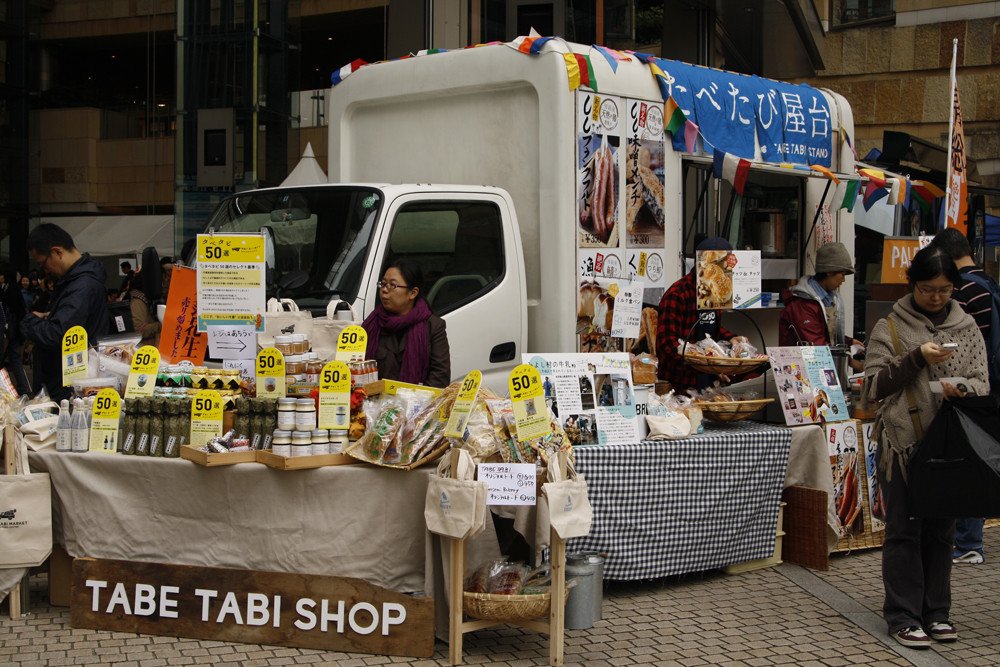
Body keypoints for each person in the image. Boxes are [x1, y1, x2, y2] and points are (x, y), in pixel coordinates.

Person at [864, 246, 989, 650]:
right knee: (904, 530)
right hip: (903, 442)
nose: (936, 298)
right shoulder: (891, 326)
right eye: (927, 289)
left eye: (944, 290)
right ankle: (902, 614)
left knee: (940, 532)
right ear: (911, 285)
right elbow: (872, 386)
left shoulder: (966, 326)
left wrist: (963, 389)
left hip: (950, 445)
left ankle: (937, 613)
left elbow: (982, 382)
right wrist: (916, 357)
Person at [930, 227, 994, 565]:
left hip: (970, 387)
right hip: (989, 385)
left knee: (966, 462)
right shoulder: (990, 285)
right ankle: (971, 539)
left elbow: (964, 348)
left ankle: (969, 542)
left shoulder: (965, 291)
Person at [20, 223, 110, 401]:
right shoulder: (78, 280)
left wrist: (29, 322)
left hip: (71, 387)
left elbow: (58, 333)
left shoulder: (81, 286)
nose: (44, 271)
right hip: (71, 381)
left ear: (57, 252)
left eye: (43, 264)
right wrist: (48, 317)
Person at [655, 237, 735, 392]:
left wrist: (732, 338)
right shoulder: (678, 294)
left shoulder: (714, 291)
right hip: (680, 384)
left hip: (708, 384)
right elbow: (666, 344)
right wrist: (702, 362)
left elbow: (709, 330)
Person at [361, 258, 450, 388]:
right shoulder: (371, 324)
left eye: (393, 285)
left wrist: (413, 403)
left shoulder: (433, 326)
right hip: (375, 403)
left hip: (418, 404)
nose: (385, 290)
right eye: (383, 284)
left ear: (413, 293)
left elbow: (440, 376)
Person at [779, 241, 865, 371]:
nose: (843, 280)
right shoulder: (802, 303)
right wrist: (850, 361)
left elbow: (824, 333)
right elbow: (816, 346)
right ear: (829, 272)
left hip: (819, 369)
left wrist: (848, 342)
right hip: (799, 373)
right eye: (842, 274)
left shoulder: (828, 298)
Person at [129, 248, 163, 348]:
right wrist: (160, 325)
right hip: (144, 348)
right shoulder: (138, 302)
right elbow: (139, 330)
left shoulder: (145, 300)